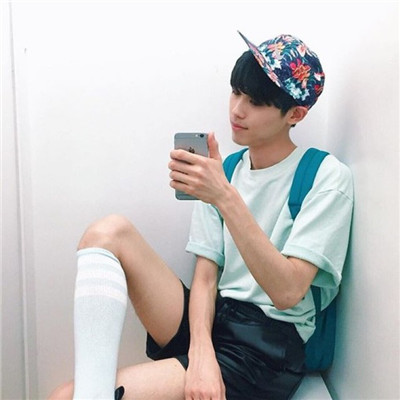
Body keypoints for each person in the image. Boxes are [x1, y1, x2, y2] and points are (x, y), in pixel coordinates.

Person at [49, 31, 353, 400]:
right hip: (214, 321)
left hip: (267, 348)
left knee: (63, 397)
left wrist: (223, 196)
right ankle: (94, 389)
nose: (237, 110)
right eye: (235, 92)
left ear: (295, 114)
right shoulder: (226, 170)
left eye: (255, 101)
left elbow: (287, 292)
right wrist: (201, 353)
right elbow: (206, 278)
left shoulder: (325, 176)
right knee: (109, 232)